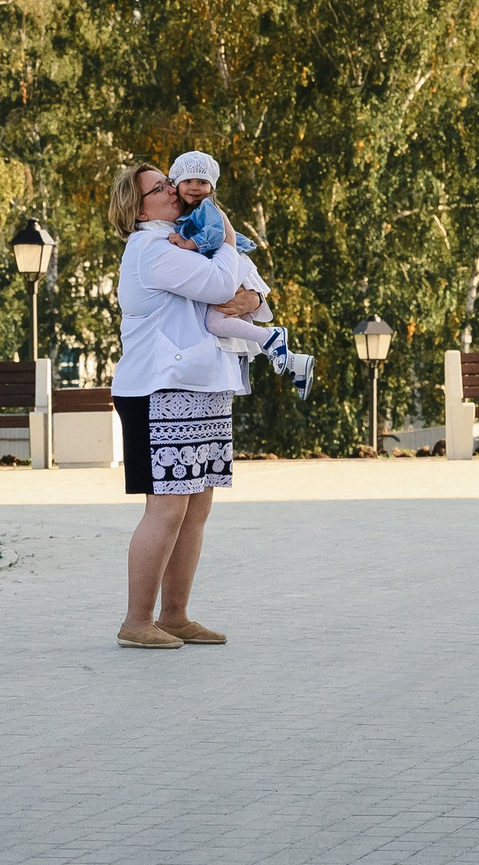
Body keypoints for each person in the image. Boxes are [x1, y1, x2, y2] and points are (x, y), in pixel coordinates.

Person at [109, 160, 267, 650]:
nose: (173, 190)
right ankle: (137, 621)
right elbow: (222, 285)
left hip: (202, 387)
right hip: (161, 391)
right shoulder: (153, 248)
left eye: (169, 182)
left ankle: (174, 616)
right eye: (160, 187)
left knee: (196, 508)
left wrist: (252, 293)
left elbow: (251, 288)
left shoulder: (188, 237)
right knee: (168, 510)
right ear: (138, 209)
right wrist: (226, 237)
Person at [167, 151, 314, 398]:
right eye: (188, 181)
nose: (195, 187)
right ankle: (295, 364)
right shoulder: (193, 211)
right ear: (176, 183)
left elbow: (215, 235)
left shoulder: (206, 208)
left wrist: (187, 244)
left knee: (218, 323)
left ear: (212, 187)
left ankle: (274, 336)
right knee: (239, 328)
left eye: (202, 182)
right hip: (228, 266)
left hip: (229, 266)